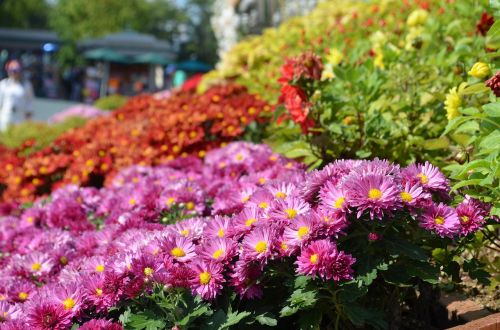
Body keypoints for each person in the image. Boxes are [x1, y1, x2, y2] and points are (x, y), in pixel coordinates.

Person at [0, 60, 34, 131]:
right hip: (6, 116)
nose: (13, 73)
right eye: (11, 70)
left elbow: (29, 102)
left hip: (19, 116)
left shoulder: (26, 85)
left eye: (16, 71)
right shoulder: (3, 84)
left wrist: (28, 118)